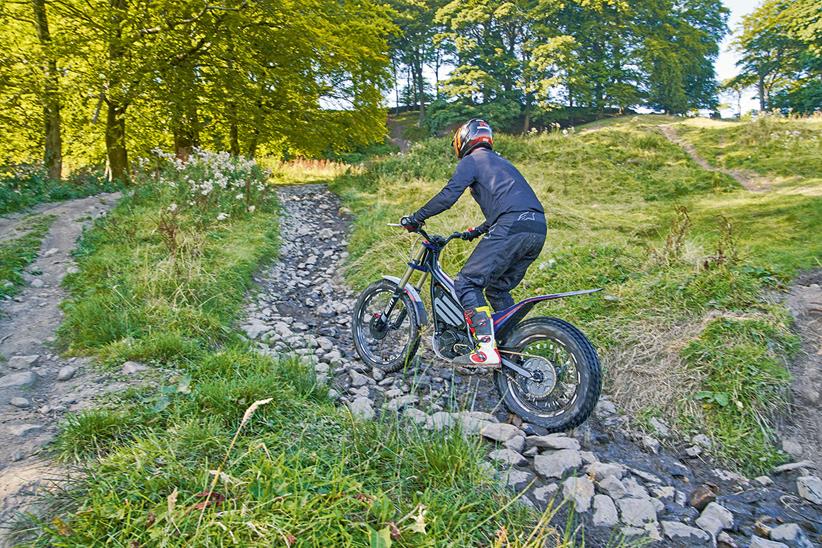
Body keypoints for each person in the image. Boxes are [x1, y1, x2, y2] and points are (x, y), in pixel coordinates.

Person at [400, 119, 546, 367]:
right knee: (497, 289)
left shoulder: (472, 161)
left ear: (463, 140)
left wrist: (416, 218)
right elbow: (511, 205)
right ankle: (513, 348)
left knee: (467, 283)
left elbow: (448, 196)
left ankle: (486, 346)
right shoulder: (503, 163)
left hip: (511, 227)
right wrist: (477, 231)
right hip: (536, 228)